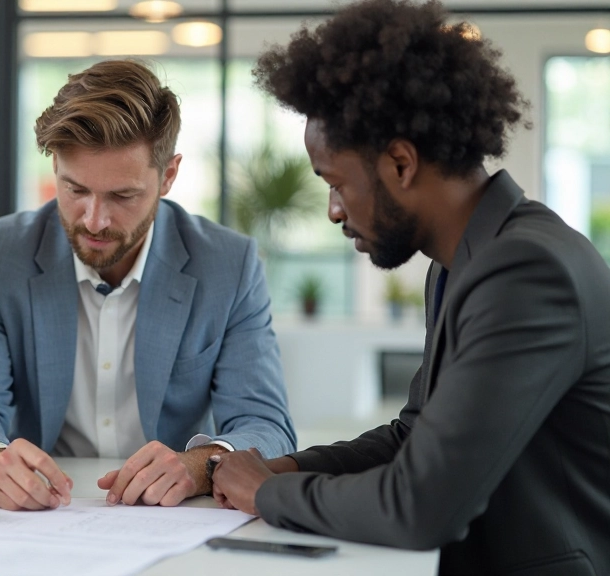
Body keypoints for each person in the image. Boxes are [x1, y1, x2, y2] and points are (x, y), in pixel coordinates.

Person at [210, 1, 610, 574]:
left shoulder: (525, 271)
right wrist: (286, 469)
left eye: (336, 183)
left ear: (400, 163)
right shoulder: (459, 263)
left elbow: (422, 506)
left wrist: (264, 495)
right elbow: (414, 435)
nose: (333, 210)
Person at [0, 59, 296, 511]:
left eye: (122, 196)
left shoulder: (229, 265)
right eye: (74, 190)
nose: (94, 220)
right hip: (40, 515)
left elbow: (265, 422)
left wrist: (199, 466)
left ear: (168, 175)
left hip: (173, 517)